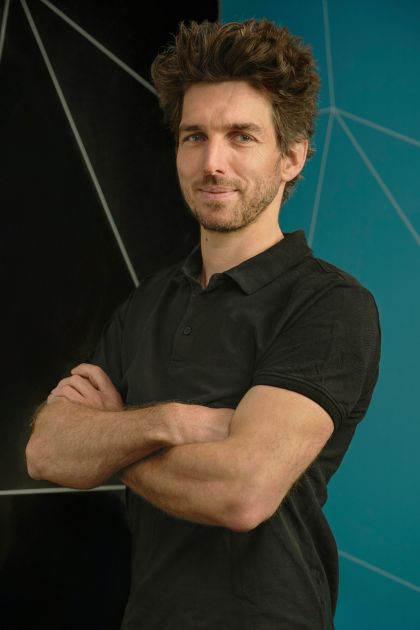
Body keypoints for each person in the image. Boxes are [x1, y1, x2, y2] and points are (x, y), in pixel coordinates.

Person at [26, 19, 381, 630]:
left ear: (291, 157)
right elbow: (45, 451)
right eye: (195, 136)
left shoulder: (329, 305)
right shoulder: (148, 303)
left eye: (241, 136)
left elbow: (241, 493)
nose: (212, 162)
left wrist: (110, 439)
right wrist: (170, 421)